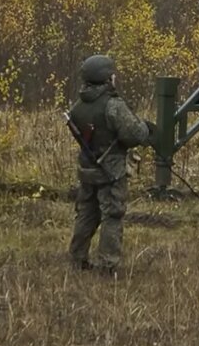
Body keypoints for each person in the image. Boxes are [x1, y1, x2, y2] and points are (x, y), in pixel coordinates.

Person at [66, 55, 154, 275]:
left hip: (87, 169)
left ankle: (78, 258)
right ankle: (107, 266)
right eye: (112, 74)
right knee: (112, 216)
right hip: (110, 171)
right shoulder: (113, 105)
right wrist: (146, 127)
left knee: (86, 213)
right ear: (106, 78)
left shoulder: (78, 106)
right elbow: (135, 135)